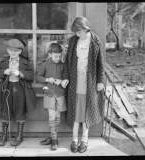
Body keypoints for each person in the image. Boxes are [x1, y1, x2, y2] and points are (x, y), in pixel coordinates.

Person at [61, 16, 105, 153]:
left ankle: (84, 139)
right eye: (75, 32)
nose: (76, 34)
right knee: (76, 109)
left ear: (85, 29)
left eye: (78, 31)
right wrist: (66, 77)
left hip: (90, 81)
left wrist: (100, 81)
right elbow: (68, 61)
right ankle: (74, 139)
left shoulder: (95, 41)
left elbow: (100, 63)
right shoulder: (73, 40)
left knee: (86, 110)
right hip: (75, 80)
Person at [0, 39, 37, 147]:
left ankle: (19, 136)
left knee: (19, 110)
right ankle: (4, 136)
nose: (13, 52)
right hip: (6, 88)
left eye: (16, 50)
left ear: (20, 52)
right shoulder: (3, 61)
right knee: (5, 110)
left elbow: (31, 75)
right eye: (11, 50)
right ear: (8, 50)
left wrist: (20, 74)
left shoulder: (26, 62)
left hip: (20, 89)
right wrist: (3, 72)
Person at [36, 43, 67, 151]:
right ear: (50, 54)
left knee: (58, 116)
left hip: (60, 93)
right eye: (55, 56)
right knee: (52, 115)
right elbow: (38, 77)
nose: (58, 58)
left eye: (60, 56)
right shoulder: (45, 65)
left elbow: (67, 79)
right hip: (49, 93)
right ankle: (54, 140)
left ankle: (53, 136)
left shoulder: (63, 65)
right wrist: (47, 79)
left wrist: (62, 81)